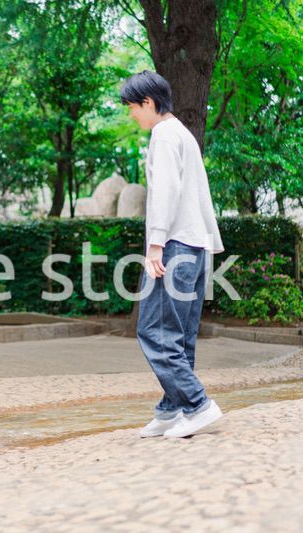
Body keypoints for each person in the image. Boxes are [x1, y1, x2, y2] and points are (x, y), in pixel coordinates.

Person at [119, 70, 225, 438]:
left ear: (148, 102)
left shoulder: (163, 135)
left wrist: (155, 244)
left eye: (132, 107)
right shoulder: (184, 134)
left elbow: (165, 191)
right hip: (196, 248)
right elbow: (199, 196)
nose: (132, 115)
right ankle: (173, 409)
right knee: (178, 336)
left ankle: (198, 404)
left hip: (175, 247)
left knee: (154, 332)